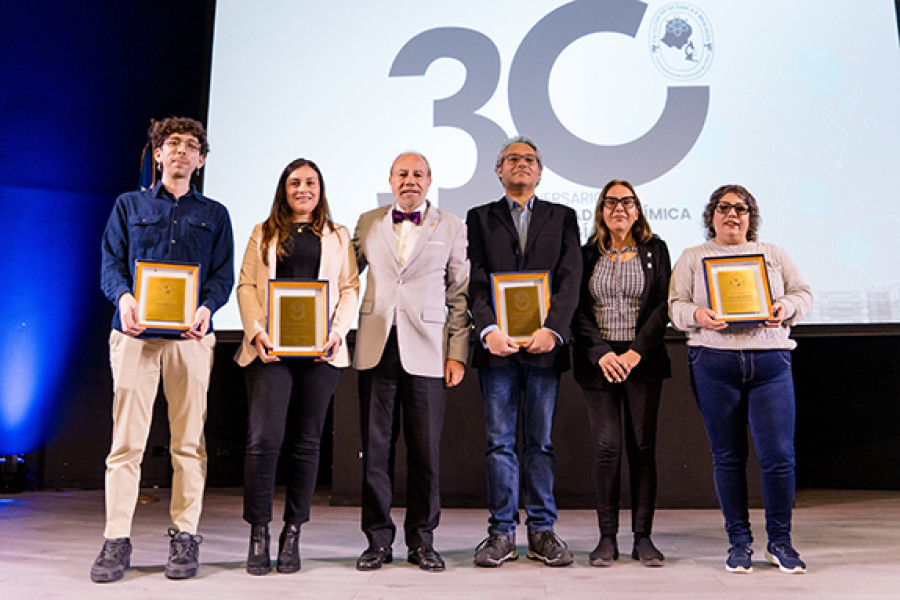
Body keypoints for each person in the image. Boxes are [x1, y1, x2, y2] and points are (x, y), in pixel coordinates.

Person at [93, 117, 234, 582]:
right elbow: (111, 263)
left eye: (191, 146)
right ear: (157, 153)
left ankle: (185, 535)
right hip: (134, 336)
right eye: (172, 144)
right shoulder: (128, 205)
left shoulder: (215, 214)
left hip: (190, 341)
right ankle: (116, 539)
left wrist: (208, 307)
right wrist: (126, 298)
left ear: (200, 160)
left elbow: (222, 276)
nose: (181, 152)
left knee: (188, 444)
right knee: (125, 444)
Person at [668, 184, 813, 574]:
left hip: (770, 363)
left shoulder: (773, 254)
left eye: (741, 208)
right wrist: (698, 316)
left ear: (751, 217)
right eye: (723, 208)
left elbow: (803, 293)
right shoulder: (692, 257)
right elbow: (675, 304)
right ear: (710, 215)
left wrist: (785, 307)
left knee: (779, 457)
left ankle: (780, 542)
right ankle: (739, 543)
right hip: (715, 363)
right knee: (728, 457)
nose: (732, 214)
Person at [234, 158, 359, 575]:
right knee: (262, 441)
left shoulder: (339, 235)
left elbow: (349, 287)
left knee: (307, 444)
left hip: (321, 353)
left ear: (320, 189)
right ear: (283, 189)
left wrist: (337, 332)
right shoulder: (262, 232)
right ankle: (259, 532)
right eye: (294, 183)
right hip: (271, 351)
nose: (303, 189)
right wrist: (256, 332)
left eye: (310, 182)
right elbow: (247, 285)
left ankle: (292, 533)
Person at [466, 136, 582, 567]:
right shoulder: (479, 217)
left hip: (544, 348)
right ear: (498, 169)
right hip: (497, 348)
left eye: (529, 159)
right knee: (499, 443)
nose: (521, 164)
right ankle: (500, 534)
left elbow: (570, 279)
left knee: (541, 443)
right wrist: (488, 329)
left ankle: (542, 531)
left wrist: (553, 331)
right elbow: (474, 278)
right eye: (512, 159)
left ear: (540, 171)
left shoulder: (563, 217)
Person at [352, 152, 470, 572]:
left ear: (429, 181)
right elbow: (345, 278)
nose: (410, 180)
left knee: (425, 454)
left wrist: (457, 353)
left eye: (418, 174)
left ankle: (422, 541)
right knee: (376, 452)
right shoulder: (368, 221)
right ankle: (377, 541)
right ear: (390, 179)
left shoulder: (452, 226)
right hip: (375, 348)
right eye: (402, 173)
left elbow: (459, 296)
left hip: (428, 353)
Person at [572, 180, 672, 567]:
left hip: (641, 360)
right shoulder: (585, 255)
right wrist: (601, 353)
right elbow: (576, 311)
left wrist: (634, 353)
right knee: (607, 448)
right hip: (599, 364)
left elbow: (663, 306)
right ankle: (607, 538)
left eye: (627, 202)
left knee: (642, 448)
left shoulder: (655, 250)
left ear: (637, 210)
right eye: (611, 202)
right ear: (600, 210)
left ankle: (643, 538)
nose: (619, 208)